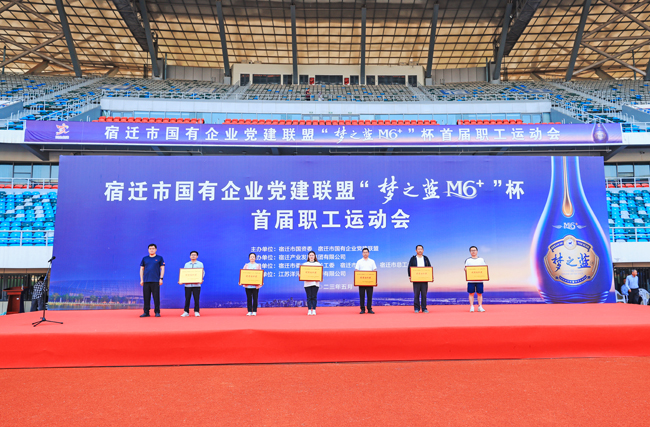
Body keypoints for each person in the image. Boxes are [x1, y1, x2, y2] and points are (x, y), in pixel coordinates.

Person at [139, 243, 165, 317]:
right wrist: (141, 279)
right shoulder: (145, 258)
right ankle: (146, 312)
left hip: (155, 281)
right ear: (148, 250)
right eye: (150, 249)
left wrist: (161, 278)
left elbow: (162, 268)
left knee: (156, 297)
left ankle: (157, 312)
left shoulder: (159, 258)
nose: (151, 250)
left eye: (153, 248)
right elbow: (142, 269)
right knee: (146, 297)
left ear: (156, 249)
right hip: (146, 281)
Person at [408, 245, 432, 313]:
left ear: (423, 250)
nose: (420, 250)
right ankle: (416, 308)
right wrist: (410, 276)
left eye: (421, 249)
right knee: (416, 294)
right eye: (418, 249)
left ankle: (424, 308)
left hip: (424, 279)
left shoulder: (426, 258)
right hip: (416, 279)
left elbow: (429, 267)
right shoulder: (413, 258)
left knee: (424, 294)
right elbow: (409, 267)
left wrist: (430, 276)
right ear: (416, 250)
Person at [179, 251, 204, 317]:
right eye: (192, 255)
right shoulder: (187, 264)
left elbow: (202, 272)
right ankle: (186, 312)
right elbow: (184, 274)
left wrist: (201, 279)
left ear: (197, 256)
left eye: (194, 255)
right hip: (188, 285)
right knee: (187, 298)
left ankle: (196, 311)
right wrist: (182, 281)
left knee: (196, 299)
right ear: (190, 256)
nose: (193, 256)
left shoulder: (200, 264)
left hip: (197, 285)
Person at [355, 247, 377, 314]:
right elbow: (357, 271)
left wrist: (374, 280)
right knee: (362, 296)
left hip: (370, 282)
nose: (365, 254)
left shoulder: (372, 261)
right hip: (361, 282)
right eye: (364, 252)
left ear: (368, 253)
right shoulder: (359, 261)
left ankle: (369, 309)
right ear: (362, 253)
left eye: (366, 252)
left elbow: (374, 270)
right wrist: (356, 280)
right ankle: (362, 309)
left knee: (369, 296)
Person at [465, 246, 486, 312]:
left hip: (479, 280)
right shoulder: (468, 260)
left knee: (479, 293)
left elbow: (484, 269)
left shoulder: (481, 260)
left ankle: (480, 307)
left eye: (474, 250)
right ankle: (472, 306)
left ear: (477, 251)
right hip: (471, 280)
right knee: (471, 293)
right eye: (472, 250)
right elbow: (466, 268)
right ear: (470, 252)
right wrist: (465, 270)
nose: (473, 252)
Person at [303, 250, 322, 315]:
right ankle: (309, 310)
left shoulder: (318, 264)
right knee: (309, 297)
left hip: (315, 283)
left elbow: (320, 274)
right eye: (310, 255)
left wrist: (320, 278)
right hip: (307, 284)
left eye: (312, 255)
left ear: (315, 256)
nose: (311, 256)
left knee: (314, 297)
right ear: (308, 256)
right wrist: (300, 276)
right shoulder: (305, 264)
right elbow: (302, 273)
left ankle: (314, 310)